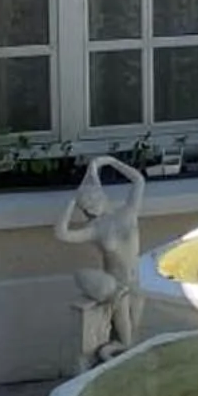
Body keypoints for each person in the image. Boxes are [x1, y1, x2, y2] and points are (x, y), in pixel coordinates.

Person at [55, 154, 147, 369]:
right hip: (116, 286)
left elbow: (139, 180)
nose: (94, 204)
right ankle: (110, 357)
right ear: (88, 210)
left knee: (134, 334)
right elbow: (62, 233)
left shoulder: (128, 212)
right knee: (127, 338)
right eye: (88, 204)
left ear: (103, 197)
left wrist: (111, 162)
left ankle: (113, 357)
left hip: (137, 282)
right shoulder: (95, 230)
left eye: (95, 197)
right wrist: (70, 202)